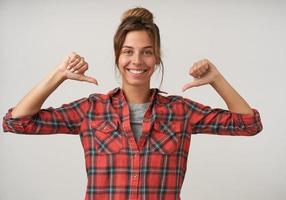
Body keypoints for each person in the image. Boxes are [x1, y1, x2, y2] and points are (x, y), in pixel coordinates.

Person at [2, 7, 263, 200]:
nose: (137, 60)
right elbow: (17, 122)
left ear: (157, 58)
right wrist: (58, 75)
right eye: (128, 51)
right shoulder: (91, 110)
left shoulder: (181, 111)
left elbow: (248, 124)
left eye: (147, 52)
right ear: (118, 57)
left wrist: (216, 79)